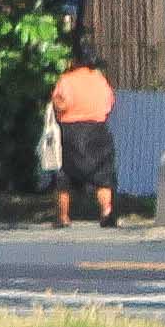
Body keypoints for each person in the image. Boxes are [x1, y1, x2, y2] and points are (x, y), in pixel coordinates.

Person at [50, 45, 120, 228]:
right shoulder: (100, 80)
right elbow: (109, 102)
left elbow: (60, 103)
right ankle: (106, 211)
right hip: (97, 129)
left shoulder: (66, 80)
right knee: (103, 174)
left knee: (65, 175)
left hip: (71, 131)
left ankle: (63, 217)